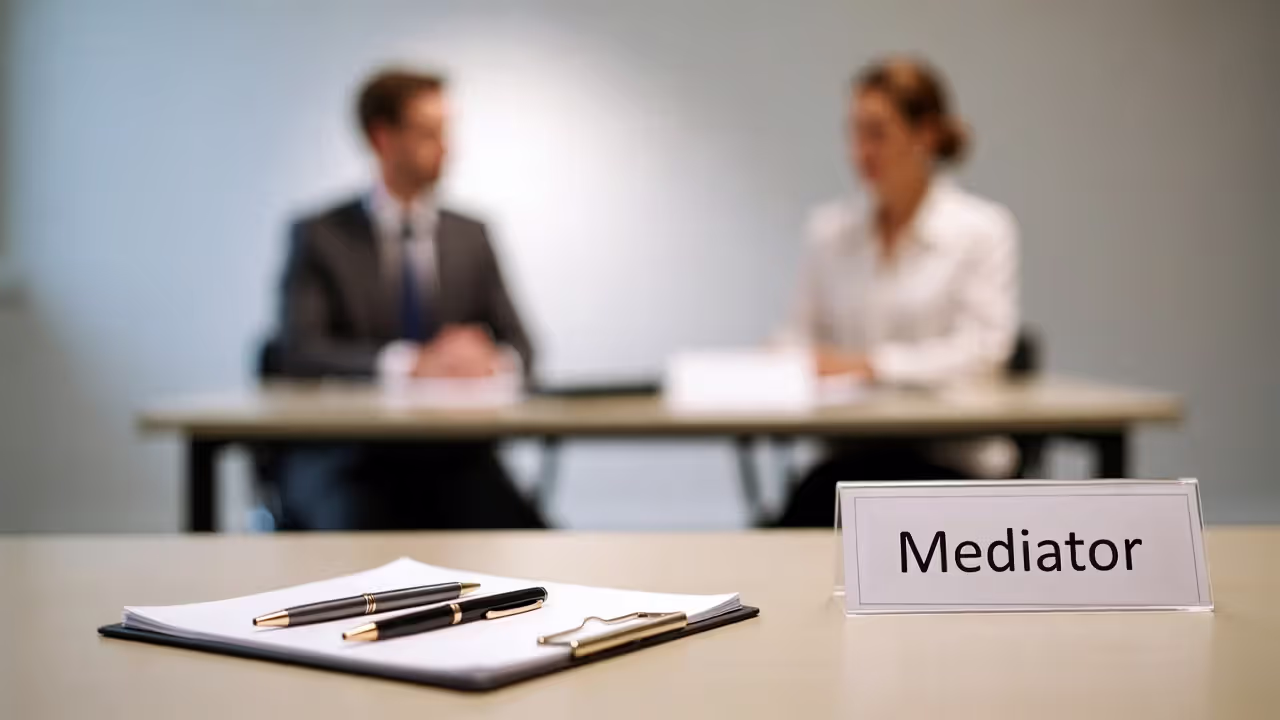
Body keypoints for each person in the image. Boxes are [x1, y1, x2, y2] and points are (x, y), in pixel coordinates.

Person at [271, 68, 544, 530]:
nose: (446, 148)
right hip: (351, 458)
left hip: (455, 457)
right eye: (428, 132)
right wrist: (408, 363)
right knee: (358, 536)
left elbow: (524, 347)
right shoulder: (322, 236)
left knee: (533, 541)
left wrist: (489, 359)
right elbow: (298, 351)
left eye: (446, 132)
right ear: (382, 138)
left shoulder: (471, 236)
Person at [776, 57, 1020, 527]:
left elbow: (985, 351)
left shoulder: (981, 230)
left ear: (925, 134)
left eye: (877, 133)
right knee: (795, 525)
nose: (860, 152)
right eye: (854, 133)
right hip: (849, 463)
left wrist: (870, 364)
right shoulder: (829, 232)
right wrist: (788, 360)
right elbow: (797, 338)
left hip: (951, 465)